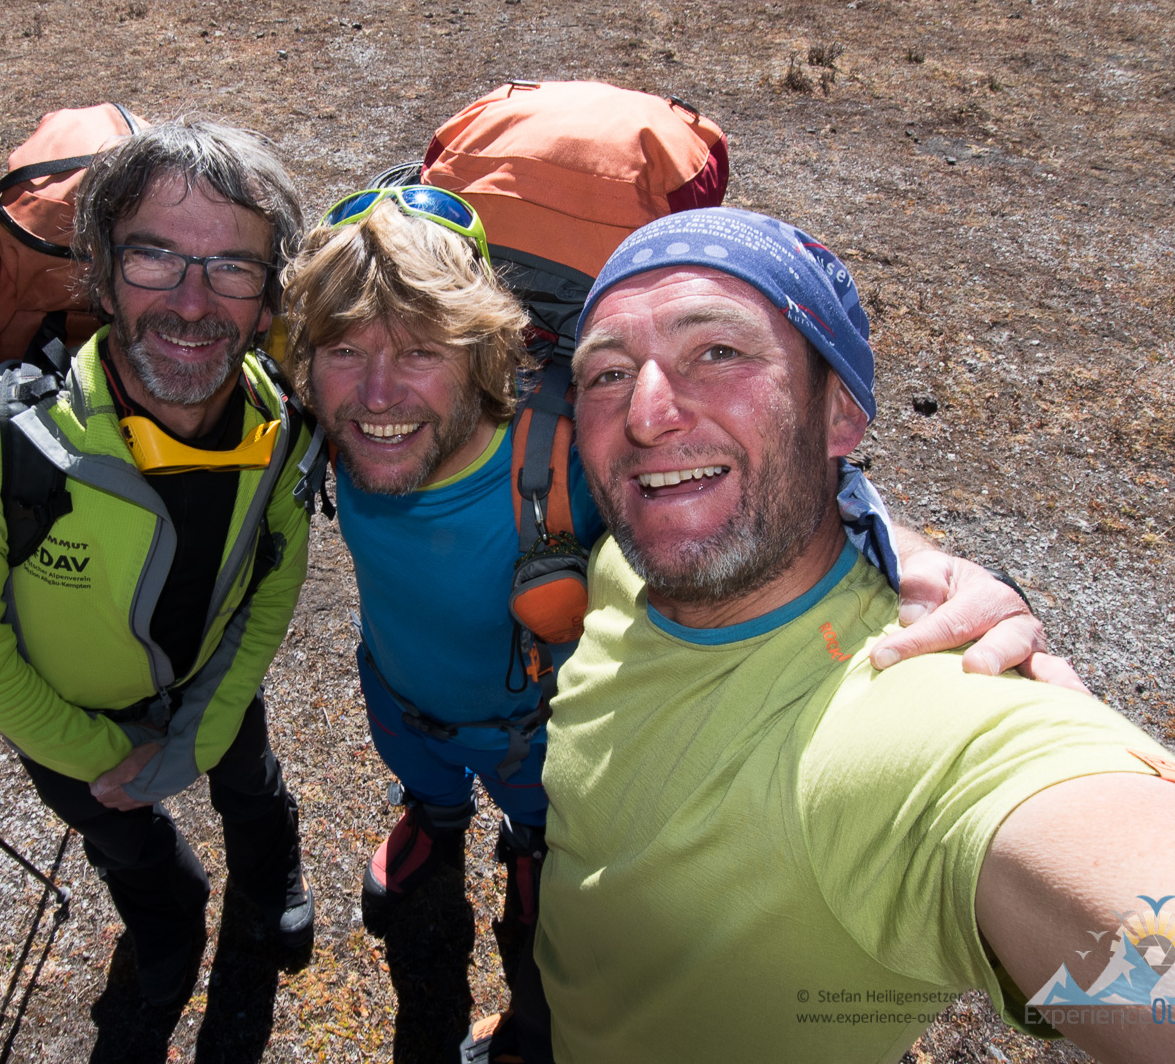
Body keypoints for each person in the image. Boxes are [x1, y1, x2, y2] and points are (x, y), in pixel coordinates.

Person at [533, 207, 1175, 1062]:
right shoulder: (635, 559)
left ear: (840, 416)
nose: (646, 413)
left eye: (718, 352)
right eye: (607, 373)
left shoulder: (908, 716)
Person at [279, 193, 1069, 962]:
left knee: (544, 837)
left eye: (420, 349)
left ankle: (530, 856)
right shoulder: (336, 416)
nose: (377, 392)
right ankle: (437, 816)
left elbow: (756, 479)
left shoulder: (568, 458)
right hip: (396, 690)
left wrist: (910, 555)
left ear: (482, 347)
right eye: (345, 348)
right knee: (423, 775)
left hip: (531, 733)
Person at [0, 118, 317, 1015]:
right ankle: (169, 926)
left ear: (271, 296)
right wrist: (104, 756)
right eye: (154, 257)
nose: (193, 302)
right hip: (64, 727)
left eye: (234, 267)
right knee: (127, 843)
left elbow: (278, 577)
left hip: (217, 689)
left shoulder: (281, 430)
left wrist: (201, 735)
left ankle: (270, 876)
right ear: (98, 263)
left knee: (250, 782)